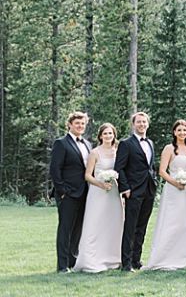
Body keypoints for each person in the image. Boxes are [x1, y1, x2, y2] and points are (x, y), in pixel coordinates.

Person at [144, 119, 186, 270]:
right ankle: (167, 256)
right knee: (173, 222)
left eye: (184, 130)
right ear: (174, 132)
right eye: (179, 130)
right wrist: (176, 183)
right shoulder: (169, 148)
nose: (182, 133)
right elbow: (162, 171)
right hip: (174, 190)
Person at [72, 123, 122, 272]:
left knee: (114, 224)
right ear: (100, 136)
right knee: (95, 224)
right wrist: (101, 184)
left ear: (114, 135)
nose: (108, 136)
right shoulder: (94, 152)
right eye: (105, 134)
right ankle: (92, 259)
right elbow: (87, 175)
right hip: (98, 193)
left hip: (113, 193)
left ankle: (113, 258)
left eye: (110, 133)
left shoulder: (118, 151)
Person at [115, 111, 158, 272]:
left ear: (147, 124)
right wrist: (125, 188)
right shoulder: (126, 144)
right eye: (138, 122)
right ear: (133, 124)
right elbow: (119, 167)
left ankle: (136, 260)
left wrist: (153, 181)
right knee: (130, 227)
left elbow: (150, 167)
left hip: (148, 189)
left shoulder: (151, 143)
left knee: (142, 226)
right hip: (133, 191)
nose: (141, 125)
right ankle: (125, 263)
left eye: (144, 122)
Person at [50, 111, 91, 273]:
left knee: (78, 229)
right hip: (67, 193)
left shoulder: (88, 144)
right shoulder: (61, 143)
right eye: (77, 123)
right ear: (70, 125)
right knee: (65, 229)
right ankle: (62, 265)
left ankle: (73, 262)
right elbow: (55, 169)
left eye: (82, 124)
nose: (80, 126)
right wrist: (62, 191)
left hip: (85, 193)